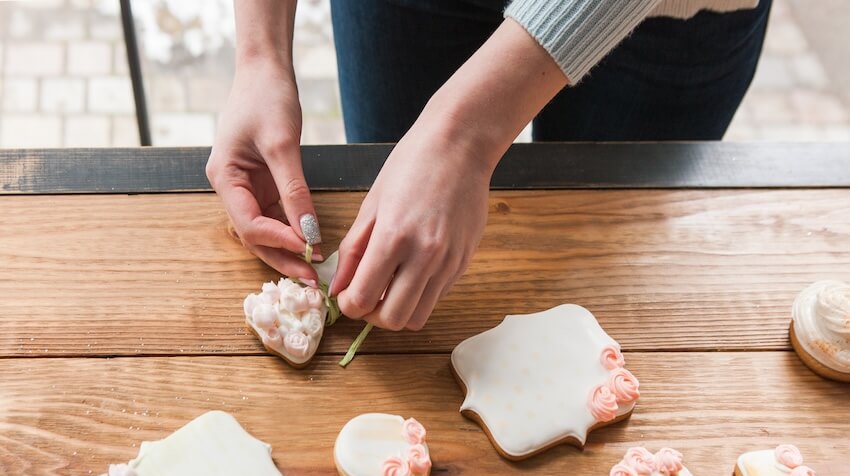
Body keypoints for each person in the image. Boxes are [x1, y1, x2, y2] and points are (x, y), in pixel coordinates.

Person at [207, 0, 772, 331]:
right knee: (394, 248)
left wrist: (464, 134)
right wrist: (260, 54)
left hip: (658, 16)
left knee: (609, 286)